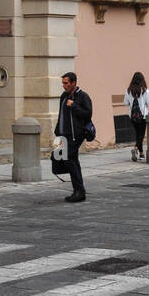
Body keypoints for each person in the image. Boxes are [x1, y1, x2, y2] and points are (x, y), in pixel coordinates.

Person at [56, 71, 92, 203]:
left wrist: (74, 106)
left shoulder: (82, 96)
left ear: (73, 83)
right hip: (65, 134)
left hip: (78, 134)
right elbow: (61, 115)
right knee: (72, 160)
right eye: (63, 83)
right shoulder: (63, 97)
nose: (63, 86)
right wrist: (58, 133)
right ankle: (78, 190)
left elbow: (88, 114)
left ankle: (79, 191)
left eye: (66, 83)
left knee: (70, 159)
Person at [124, 72, 149, 162]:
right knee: (141, 135)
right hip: (142, 116)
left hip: (133, 116)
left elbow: (125, 103)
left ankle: (141, 154)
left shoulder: (129, 90)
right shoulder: (144, 90)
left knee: (137, 134)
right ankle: (136, 148)